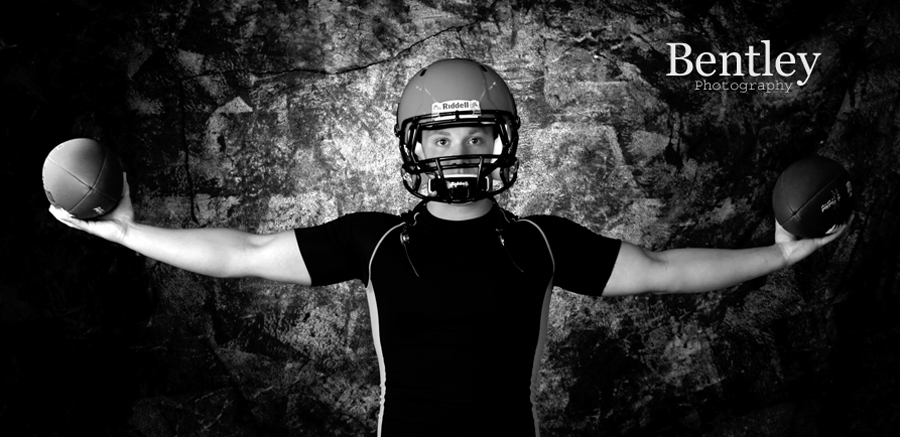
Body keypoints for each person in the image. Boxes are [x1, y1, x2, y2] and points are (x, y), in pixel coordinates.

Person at [50, 58, 850, 437]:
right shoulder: (375, 242)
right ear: (413, 148)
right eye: (443, 136)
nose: (460, 151)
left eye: (474, 132)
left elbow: (670, 270)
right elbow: (243, 251)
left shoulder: (541, 242)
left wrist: (779, 256)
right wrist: (124, 230)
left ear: (502, 140)